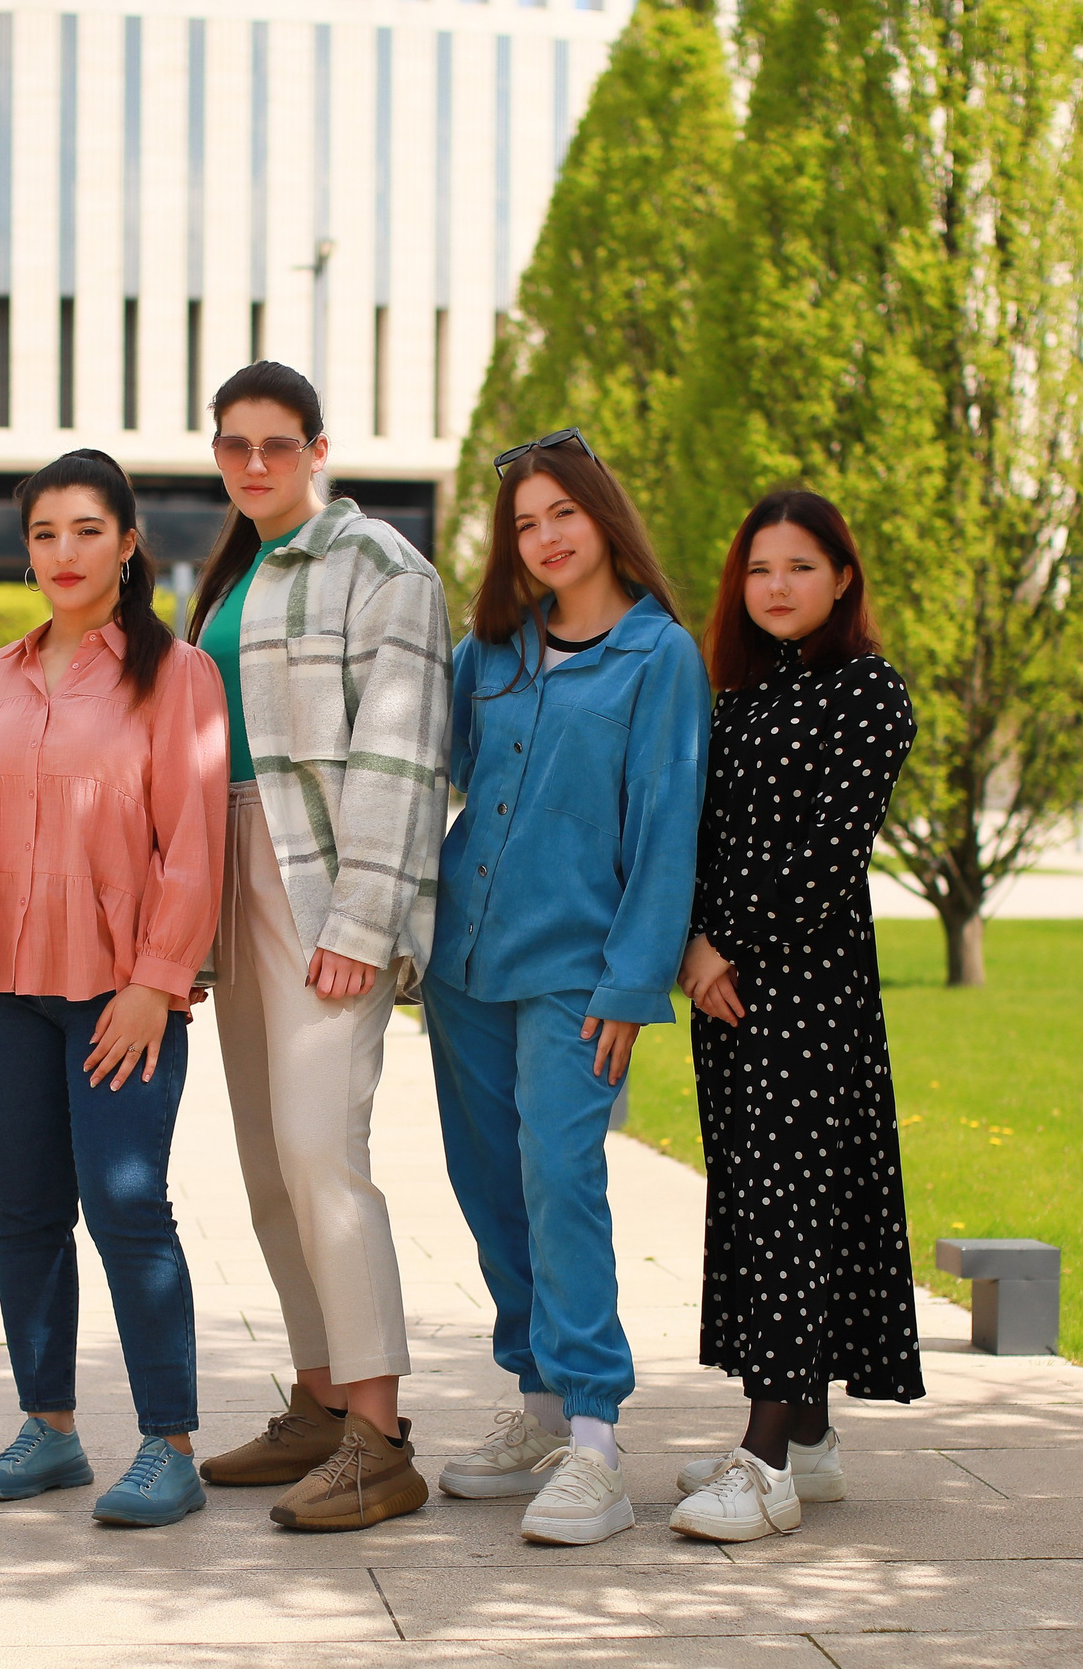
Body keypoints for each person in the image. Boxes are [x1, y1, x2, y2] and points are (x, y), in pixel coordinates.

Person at [0, 450, 230, 1529]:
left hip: (115, 993)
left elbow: (195, 840)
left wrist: (155, 981)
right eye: (45, 532)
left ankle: (169, 1444)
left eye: (87, 529)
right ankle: (48, 1430)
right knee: (27, 1214)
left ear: (128, 542)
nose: (63, 552)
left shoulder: (175, 673)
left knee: (128, 1206)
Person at [423, 430, 710, 1546]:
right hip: (463, 969)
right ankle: (538, 1407)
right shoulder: (485, 652)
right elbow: (425, 775)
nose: (544, 537)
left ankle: (594, 1434)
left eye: (562, 514)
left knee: (560, 1181)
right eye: (525, 522)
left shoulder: (658, 657)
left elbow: (666, 826)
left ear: (603, 517)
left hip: (577, 977)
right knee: (488, 1181)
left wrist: (634, 983)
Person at [185, 362, 453, 1533]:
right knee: (261, 1160)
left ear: (317, 448)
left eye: (276, 446)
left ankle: (380, 1437)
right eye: (234, 445)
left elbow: (401, 756)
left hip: (319, 882)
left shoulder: (381, 570)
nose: (254, 465)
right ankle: (315, 1396)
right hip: (233, 876)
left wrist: (362, 921)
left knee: (319, 1148)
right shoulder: (231, 576)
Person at [669, 489, 923, 1544]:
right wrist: (690, 946)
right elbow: (694, 832)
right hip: (723, 997)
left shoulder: (870, 694)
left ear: (843, 578)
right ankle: (805, 1439)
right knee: (757, 1198)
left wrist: (728, 944)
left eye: (800, 567)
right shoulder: (735, 696)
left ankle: (764, 1461)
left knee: (790, 1206)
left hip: (807, 995)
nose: (776, 586)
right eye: (759, 568)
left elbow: (827, 856)